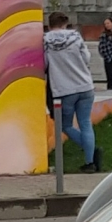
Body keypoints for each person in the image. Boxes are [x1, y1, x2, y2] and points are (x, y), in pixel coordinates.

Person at [42, 11, 98, 173]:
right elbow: (86, 58)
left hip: (63, 89)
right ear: (65, 23)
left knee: (65, 125)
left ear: (50, 24)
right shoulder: (76, 36)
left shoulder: (45, 41)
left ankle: (91, 151)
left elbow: (44, 64)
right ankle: (90, 161)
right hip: (85, 86)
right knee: (85, 123)